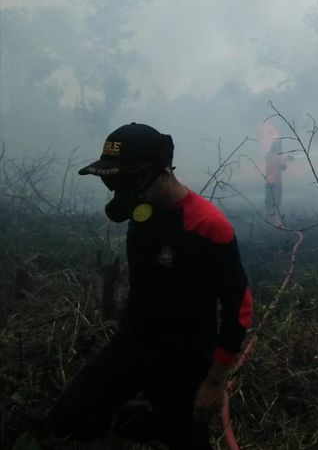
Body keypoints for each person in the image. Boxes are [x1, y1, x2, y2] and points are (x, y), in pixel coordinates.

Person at [48, 122, 253, 449]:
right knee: (67, 420)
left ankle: (158, 418)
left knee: (186, 440)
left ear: (160, 173)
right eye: (110, 184)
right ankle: (139, 416)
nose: (119, 195)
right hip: (134, 343)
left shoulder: (208, 226)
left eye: (124, 182)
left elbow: (239, 309)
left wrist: (214, 381)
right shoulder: (142, 214)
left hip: (186, 357)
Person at [264, 139, 292, 224]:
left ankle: (268, 218)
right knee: (276, 201)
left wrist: (285, 158)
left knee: (269, 201)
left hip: (268, 182)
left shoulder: (269, 156)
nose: (281, 149)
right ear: (277, 148)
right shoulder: (277, 157)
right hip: (275, 182)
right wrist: (287, 158)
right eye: (280, 147)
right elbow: (283, 167)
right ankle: (274, 220)